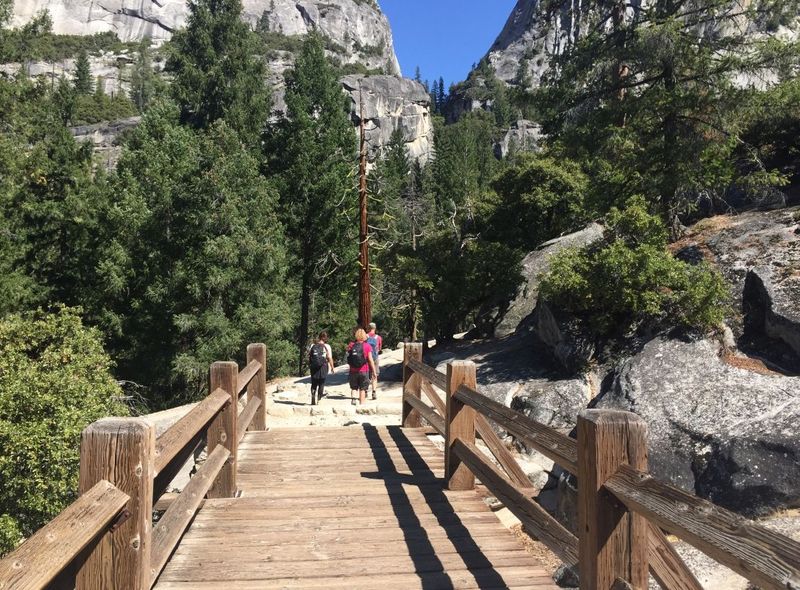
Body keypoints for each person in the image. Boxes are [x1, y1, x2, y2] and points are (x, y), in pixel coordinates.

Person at [347, 328, 376, 405]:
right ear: (364, 336)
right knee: (362, 389)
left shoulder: (351, 345)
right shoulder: (367, 346)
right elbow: (370, 360)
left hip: (353, 371)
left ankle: (353, 398)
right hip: (364, 370)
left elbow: (348, 357)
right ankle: (361, 405)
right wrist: (374, 371)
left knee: (354, 387)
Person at [308, 331, 334, 405]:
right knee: (321, 383)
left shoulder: (313, 345)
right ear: (326, 338)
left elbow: (309, 356)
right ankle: (319, 399)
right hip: (323, 366)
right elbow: (329, 358)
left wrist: (310, 364)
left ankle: (313, 395)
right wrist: (332, 367)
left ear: (319, 337)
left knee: (314, 382)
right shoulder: (327, 346)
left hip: (314, 366)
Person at [366, 322, 382, 400]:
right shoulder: (378, 337)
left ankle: (365, 391)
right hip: (375, 358)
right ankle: (374, 392)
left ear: (368, 328)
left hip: (366, 358)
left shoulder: (365, 336)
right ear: (375, 328)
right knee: (374, 375)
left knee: (366, 374)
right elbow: (379, 349)